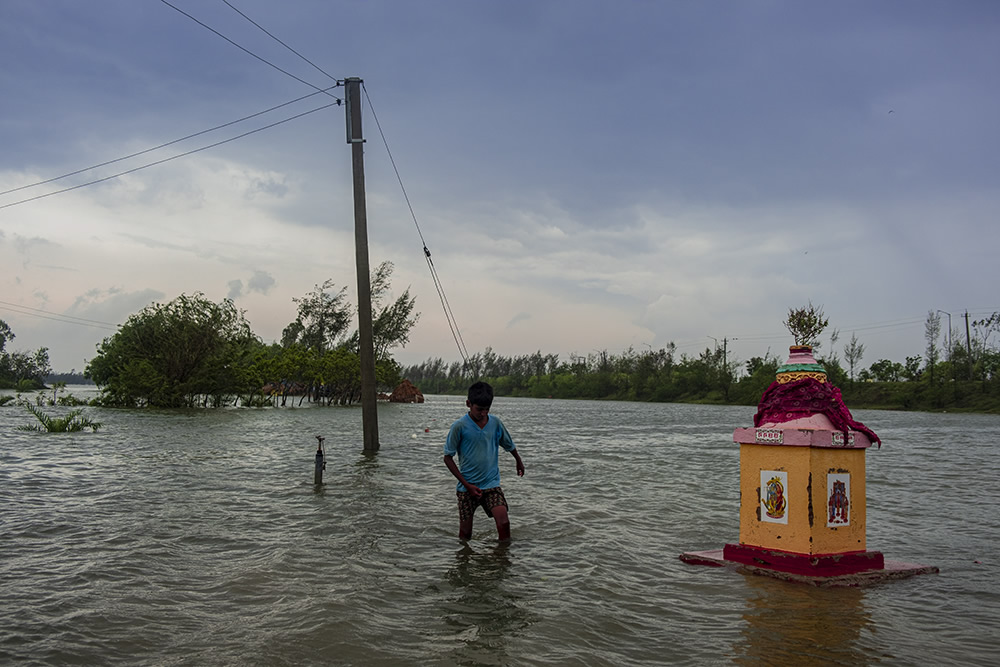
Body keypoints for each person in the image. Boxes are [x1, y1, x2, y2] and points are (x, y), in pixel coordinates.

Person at [443, 381, 525, 541]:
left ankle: (502, 559)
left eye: (487, 409)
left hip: (491, 485)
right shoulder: (459, 427)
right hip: (467, 489)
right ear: (468, 404)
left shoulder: (495, 423)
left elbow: (509, 444)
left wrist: (518, 460)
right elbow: (447, 457)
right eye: (479, 409)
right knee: (465, 535)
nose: (483, 413)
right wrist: (466, 485)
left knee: (504, 522)